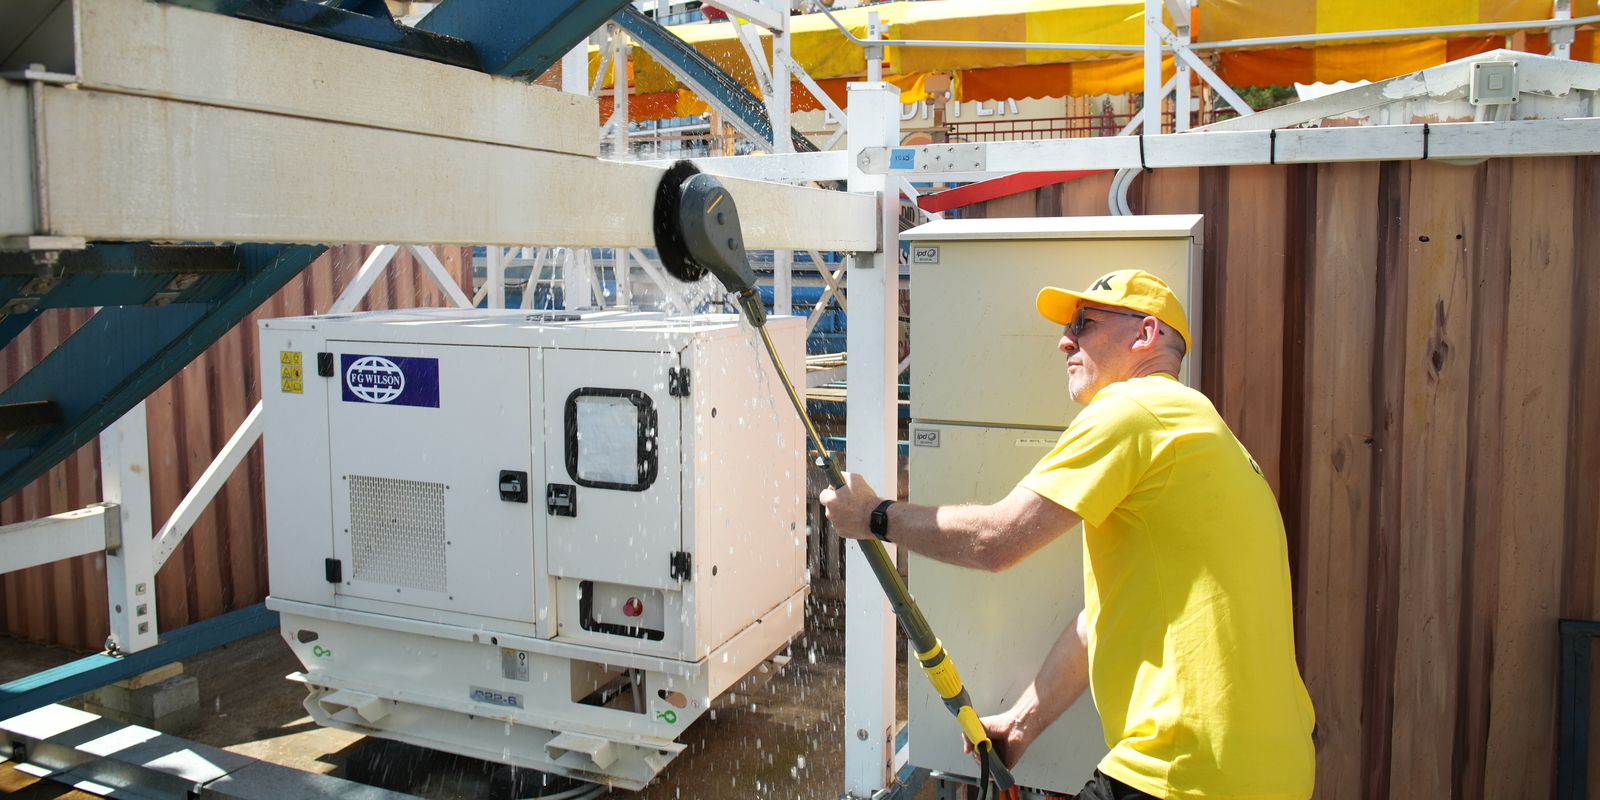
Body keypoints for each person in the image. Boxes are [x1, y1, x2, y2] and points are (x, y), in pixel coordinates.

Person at [819, 269, 1315, 800]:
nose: (1064, 340)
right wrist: (1022, 722)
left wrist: (874, 515)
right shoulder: (1201, 429)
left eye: (1083, 323)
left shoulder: (1132, 410)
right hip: (1275, 771)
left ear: (1144, 335)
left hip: (1182, 769)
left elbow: (998, 540)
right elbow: (1098, 621)